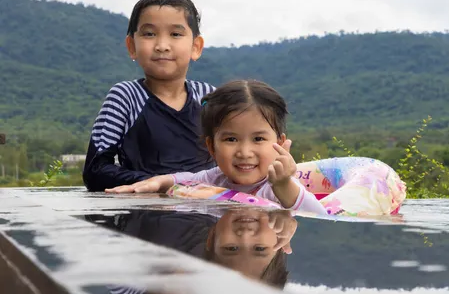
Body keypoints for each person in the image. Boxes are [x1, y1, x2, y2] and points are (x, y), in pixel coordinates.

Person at [106, 79, 327, 215]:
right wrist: (160, 181)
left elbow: (317, 214)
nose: (244, 152)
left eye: (258, 139)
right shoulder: (217, 178)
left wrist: (284, 185)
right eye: (231, 139)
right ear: (211, 147)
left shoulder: (276, 185)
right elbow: (187, 178)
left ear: (279, 144)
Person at [83, 0, 215, 192]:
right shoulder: (125, 97)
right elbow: (96, 170)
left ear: (196, 46)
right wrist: (166, 183)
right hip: (144, 211)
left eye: (175, 34)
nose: (162, 45)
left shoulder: (208, 97)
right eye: (149, 34)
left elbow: (232, 159)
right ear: (132, 46)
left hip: (208, 208)